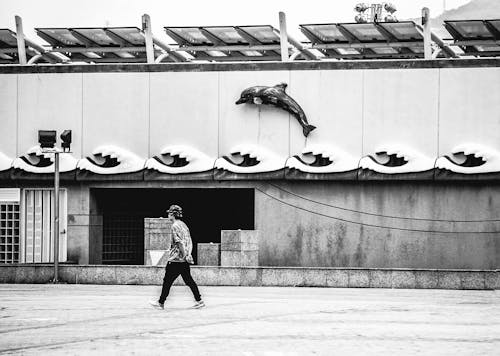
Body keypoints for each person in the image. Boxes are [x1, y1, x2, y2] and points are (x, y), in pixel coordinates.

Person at [150, 204, 205, 310]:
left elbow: (179, 242)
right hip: (184, 260)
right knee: (189, 280)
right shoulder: (184, 225)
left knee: (167, 281)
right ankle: (199, 301)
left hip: (176, 259)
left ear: (172, 214)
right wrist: (188, 254)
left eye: (169, 213)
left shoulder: (174, 226)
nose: (168, 215)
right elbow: (189, 241)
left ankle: (161, 303)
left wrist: (184, 254)